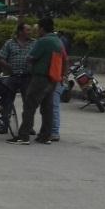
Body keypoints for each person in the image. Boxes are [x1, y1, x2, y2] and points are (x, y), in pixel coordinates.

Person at [9, 17, 64, 145]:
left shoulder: (43, 41)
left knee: (29, 106)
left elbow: (32, 57)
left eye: (38, 28)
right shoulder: (57, 41)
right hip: (52, 78)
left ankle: (23, 136)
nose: (37, 31)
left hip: (40, 77)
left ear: (42, 28)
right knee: (47, 108)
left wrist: (30, 61)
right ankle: (45, 136)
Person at [0, 21, 34, 131]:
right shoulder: (9, 43)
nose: (30, 32)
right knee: (7, 101)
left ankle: (28, 127)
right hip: (12, 77)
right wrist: (7, 68)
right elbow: (1, 58)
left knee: (28, 103)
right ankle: (4, 125)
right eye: (27, 30)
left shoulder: (34, 43)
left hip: (27, 77)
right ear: (20, 31)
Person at [51, 31, 71, 142]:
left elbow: (66, 60)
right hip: (58, 78)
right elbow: (66, 60)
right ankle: (51, 130)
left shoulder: (57, 44)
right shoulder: (60, 43)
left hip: (55, 79)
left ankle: (54, 132)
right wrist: (65, 76)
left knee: (53, 105)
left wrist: (63, 76)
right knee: (53, 105)